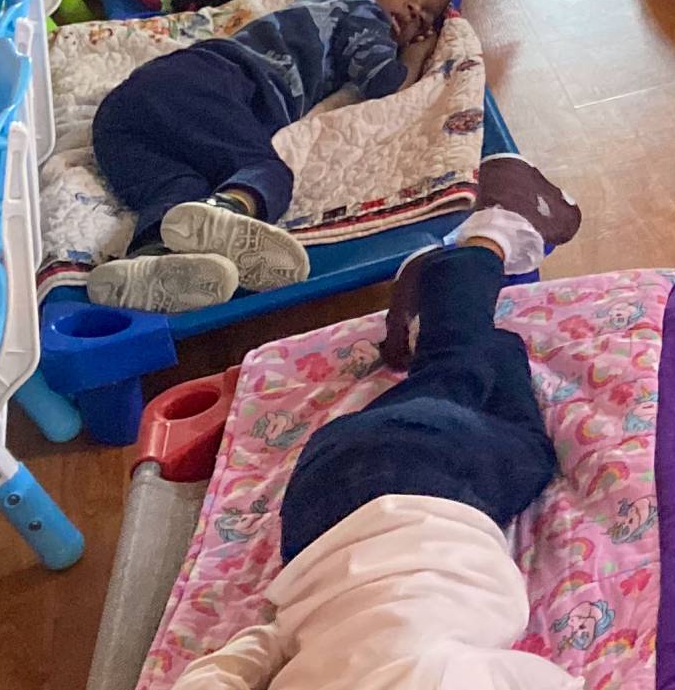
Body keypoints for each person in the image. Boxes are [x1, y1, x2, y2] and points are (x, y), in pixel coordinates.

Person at [168, 203, 577, 690]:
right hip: (321, 492)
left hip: (431, 488)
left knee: (492, 408)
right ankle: (474, 332)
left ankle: (478, 249)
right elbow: (245, 655)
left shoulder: (444, 678)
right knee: (461, 380)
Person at [86, 0, 458, 313]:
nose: (413, 12)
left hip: (122, 117)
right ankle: (228, 208)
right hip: (211, 83)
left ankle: (148, 261)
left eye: (424, 19)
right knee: (265, 171)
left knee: (177, 188)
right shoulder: (358, 8)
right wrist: (414, 53)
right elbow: (384, 82)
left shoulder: (311, 8)